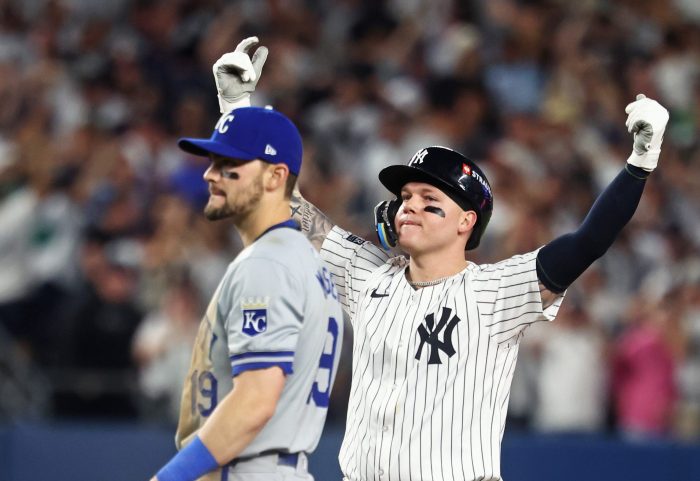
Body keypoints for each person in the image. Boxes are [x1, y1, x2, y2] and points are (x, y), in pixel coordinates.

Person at [213, 38, 669, 481]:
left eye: (429, 198)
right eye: (405, 196)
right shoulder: (367, 274)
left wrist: (639, 165)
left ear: (465, 221)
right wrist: (237, 111)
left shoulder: (493, 294)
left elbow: (588, 241)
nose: (408, 205)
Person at [150, 39, 344, 481]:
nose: (210, 174)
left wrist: (171, 477)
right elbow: (269, 182)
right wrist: (236, 110)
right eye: (214, 161)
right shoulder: (300, 257)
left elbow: (256, 400)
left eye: (227, 165)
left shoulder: (269, 265)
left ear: (277, 176)